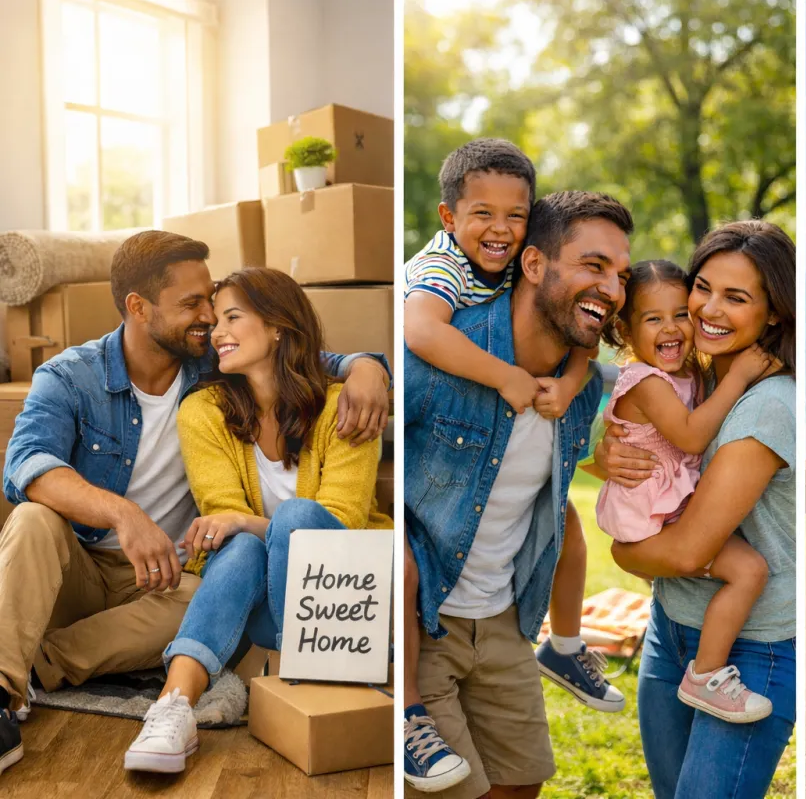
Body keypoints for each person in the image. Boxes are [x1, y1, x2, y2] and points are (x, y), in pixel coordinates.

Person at [0, 231, 390, 777]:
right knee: (33, 517)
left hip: (167, 578)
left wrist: (369, 367)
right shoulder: (72, 376)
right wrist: (123, 515)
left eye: (214, 301)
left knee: (221, 587)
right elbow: (24, 466)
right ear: (139, 308)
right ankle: (1, 691)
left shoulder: (212, 362)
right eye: (193, 304)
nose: (208, 317)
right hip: (80, 568)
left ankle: (51, 663)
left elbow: (303, 352)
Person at [401, 141, 622, 793]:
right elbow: (414, 340)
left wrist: (579, 380)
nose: (498, 229)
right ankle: (411, 709)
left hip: (503, 621)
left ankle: (565, 647)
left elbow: (600, 343)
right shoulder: (442, 305)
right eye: (593, 266)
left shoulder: (575, 371)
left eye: (619, 273)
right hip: (426, 617)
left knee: (524, 782)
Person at [122, 267, 393, 773]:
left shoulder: (345, 406)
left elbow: (342, 524)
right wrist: (242, 527)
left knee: (292, 519)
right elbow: (219, 518)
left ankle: (315, 682)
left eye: (232, 318)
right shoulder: (203, 412)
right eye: (215, 321)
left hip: (346, 602)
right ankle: (173, 708)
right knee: (242, 545)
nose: (216, 333)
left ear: (277, 327)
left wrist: (246, 523)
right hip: (263, 608)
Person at [593, 220, 797, 798]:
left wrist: (620, 552)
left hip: (752, 648)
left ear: (774, 312)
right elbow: (644, 429)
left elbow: (687, 550)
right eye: (703, 288)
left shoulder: (769, 404)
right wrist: (608, 457)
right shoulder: (695, 376)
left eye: (737, 297)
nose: (708, 308)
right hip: (671, 626)